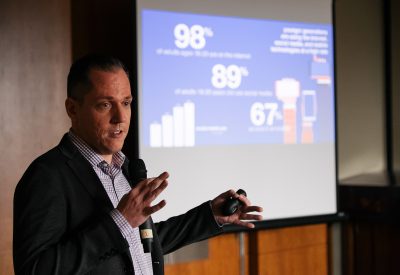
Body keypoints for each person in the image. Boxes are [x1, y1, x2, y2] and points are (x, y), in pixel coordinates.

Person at [13, 54, 263, 275]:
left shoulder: (125, 168)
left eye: (126, 103)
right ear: (72, 109)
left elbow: (141, 242)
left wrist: (210, 215)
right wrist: (119, 221)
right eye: (105, 104)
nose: (120, 118)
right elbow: (35, 269)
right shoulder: (47, 176)